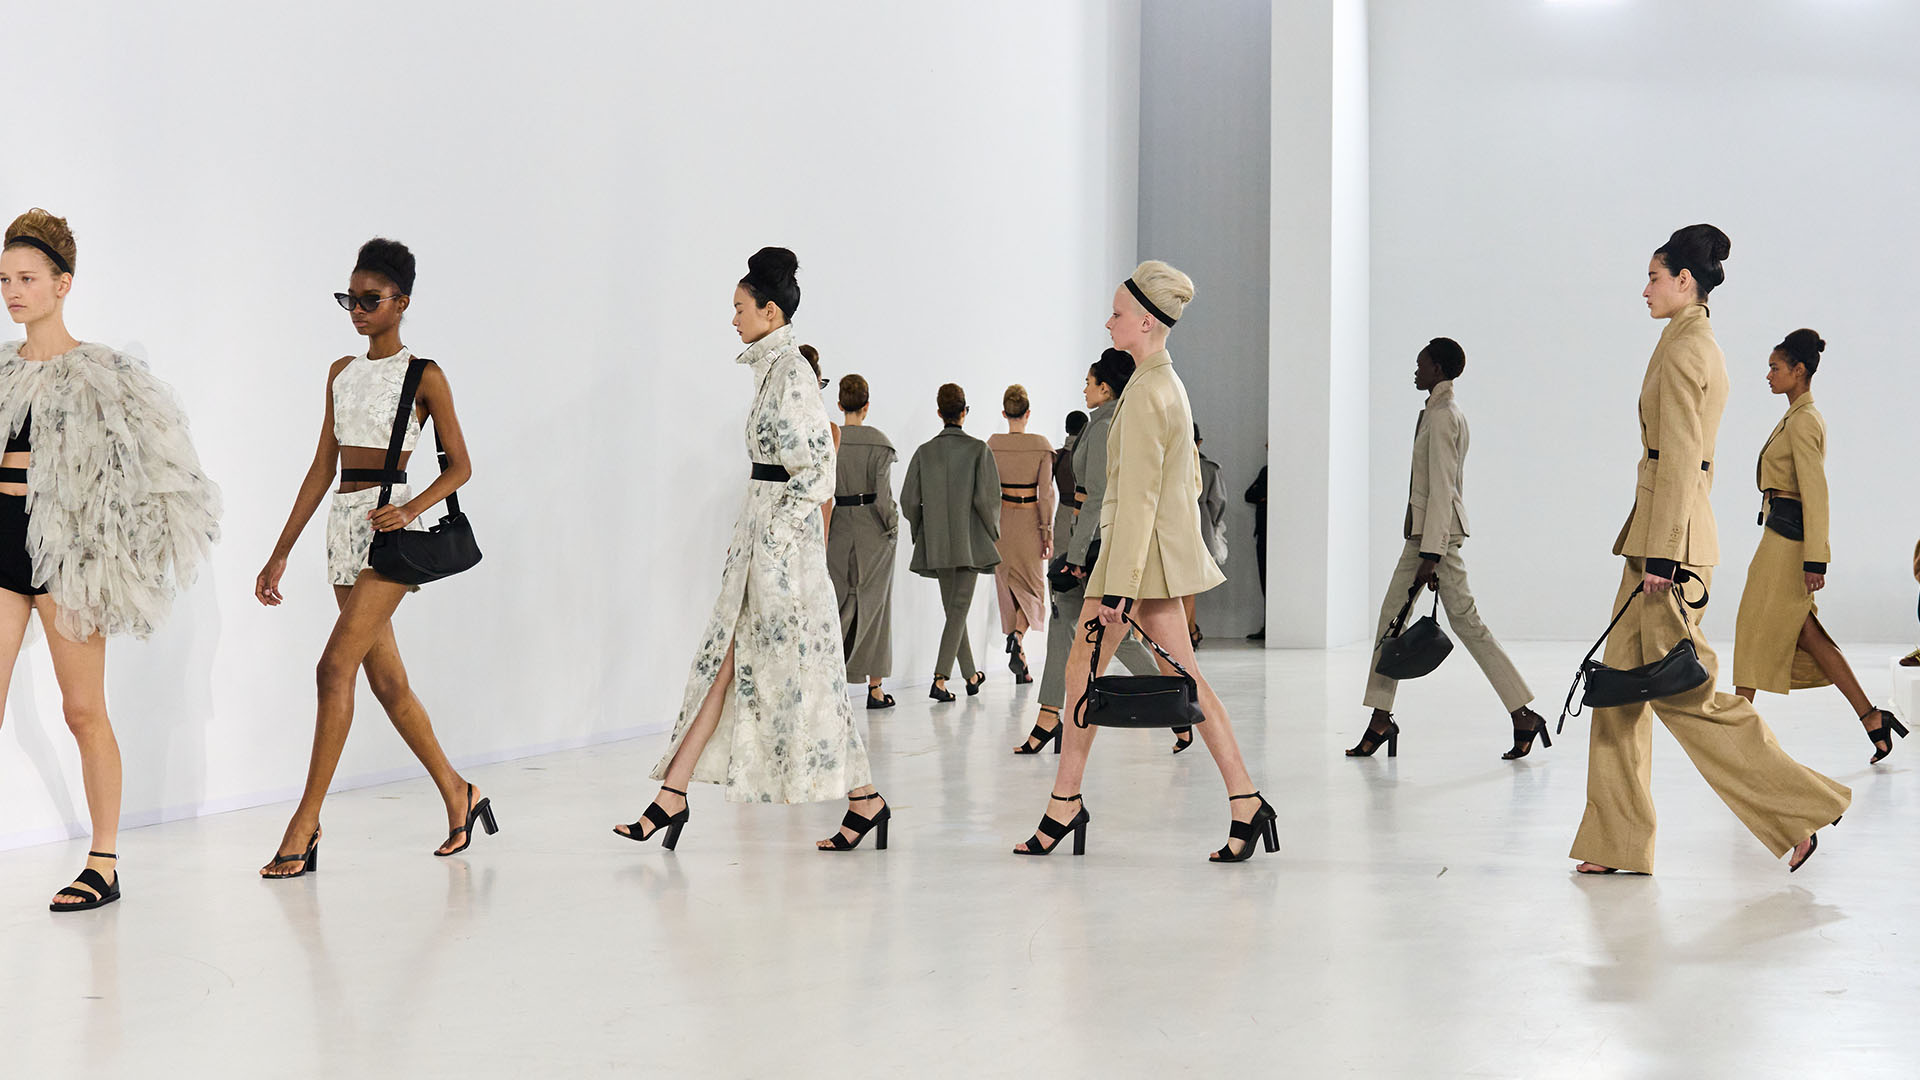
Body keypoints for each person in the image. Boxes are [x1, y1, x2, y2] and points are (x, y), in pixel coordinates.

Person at [1570, 225, 1849, 877]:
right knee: (1616, 694)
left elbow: (1679, 459)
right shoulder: (1689, 342)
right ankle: (1616, 841)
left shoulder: (1686, 349)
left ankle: (1799, 810)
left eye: (1654, 277)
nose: (1645, 290)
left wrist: (1665, 555)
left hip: (1666, 549)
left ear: (1684, 281)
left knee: (1689, 695)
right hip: (1657, 540)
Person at [617, 248, 888, 853]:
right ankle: (672, 795)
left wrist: (772, 539)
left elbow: (818, 472)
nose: (732, 318)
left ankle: (865, 799)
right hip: (762, 547)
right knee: (728, 661)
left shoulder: (792, 373)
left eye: (740, 308)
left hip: (784, 559)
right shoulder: (773, 370)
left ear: (770, 312)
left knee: (807, 674)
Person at [1014, 260, 1275, 862]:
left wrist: (1120, 588)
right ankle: (1241, 801)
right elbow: (1174, 488)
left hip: (1135, 565)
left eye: (1117, 314)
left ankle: (1068, 805)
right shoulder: (1162, 386)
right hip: (1145, 562)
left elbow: (1139, 499)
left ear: (1147, 323)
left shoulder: (1148, 394)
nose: (1108, 323)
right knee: (1109, 675)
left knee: (1100, 675)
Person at [1, 208, 220, 910]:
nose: (13, 292)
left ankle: (103, 860)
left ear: (62, 283)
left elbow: (158, 471)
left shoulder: (102, 373)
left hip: (69, 554)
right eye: (5, 280)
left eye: (27, 279)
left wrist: (112, 555)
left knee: (82, 710)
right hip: (2, 540)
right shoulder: (1, 370)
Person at [255, 238, 485, 877]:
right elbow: (321, 468)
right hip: (343, 530)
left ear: (401, 303)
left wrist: (411, 511)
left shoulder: (424, 376)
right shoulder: (341, 372)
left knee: (334, 668)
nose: (356, 310)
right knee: (387, 683)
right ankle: (459, 792)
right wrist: (279, 553)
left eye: (370, 299)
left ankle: (305, 823)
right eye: (349, 299)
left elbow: (461, 466)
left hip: (390, 537)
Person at [1346, 337, 1549, 761]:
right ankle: (1383, 718)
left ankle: (1523, 713)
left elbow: (1442, 488)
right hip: (1429, 538)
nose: (1415, 371)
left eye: (1420, 365)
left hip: (1432, 540)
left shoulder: (1442, 417)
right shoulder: (1441, 412)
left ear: (1437, 369)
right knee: (1402, 621)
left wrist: (1431, 554)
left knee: (1451, 624)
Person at [1731, 329, 1906, 763]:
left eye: (1775, 367)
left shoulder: (1805, 420)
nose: (1768, 375)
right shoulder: (1795, 416)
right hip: (1781, 535)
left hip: (1788, 545)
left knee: (1754, 625)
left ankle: (1736, 728)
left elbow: (1816, 492)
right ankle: (1872, 718)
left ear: (1798, 371)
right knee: (1806, 633)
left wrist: (1816, 559)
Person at [1016, 350, 1161, 755]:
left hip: (1094, 545)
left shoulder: (1103, 428)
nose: (1084, 389)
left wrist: (1077, 555)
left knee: (1113, 633)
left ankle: (1171, 696)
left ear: (1105, 387)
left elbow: (1095, 497)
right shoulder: (1110, 423)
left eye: (1089, 382)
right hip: (1095, 540)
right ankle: (1049, 716)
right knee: (1068, 622)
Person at [901, 384, 1000, 702]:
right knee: (958, 611)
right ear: (964, 412)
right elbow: (987, 500)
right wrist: (993, 532)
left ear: (939, 413)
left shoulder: (924, 452)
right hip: (969, 542)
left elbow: (908, 500)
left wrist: (921, 530)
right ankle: (940, 679)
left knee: (954, 612)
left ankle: (970, 676)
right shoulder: (978, 450)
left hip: (937, 542)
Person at [828, 373, 900, 710]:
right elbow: (883, 496)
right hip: (874, 528)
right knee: (876, 606)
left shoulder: (830, 439)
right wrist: (892, 525)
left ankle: (828, 682)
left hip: (839, 525)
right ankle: (875, 688)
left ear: (840, 404)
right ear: (867, 406)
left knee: (836, 602)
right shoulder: (879, 444)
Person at [988, 385, 1053, 683]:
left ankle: (1021, 664)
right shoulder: (1041, 446)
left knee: (1009, 589)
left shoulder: (992, 445)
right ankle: (1017, 635)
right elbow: (1046, 495)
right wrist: (1047, 532)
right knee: (1034, 592)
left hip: (1001, 522)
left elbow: (986, 491)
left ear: (1004, 413)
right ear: (1028, 413)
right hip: (1030, 521)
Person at [1185, 423, 1228, 647]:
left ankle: (1189, 632)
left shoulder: (1169, 463)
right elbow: (1218, 502)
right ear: (1199, 442)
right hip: (1201, 527)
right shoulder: (1210, 468)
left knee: (1183, 586)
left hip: (1175, 526)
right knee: (1190, 586)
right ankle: (1188, 633)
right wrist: (1212, 523)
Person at [1245, 457, 1268, 641]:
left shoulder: (1269, 472)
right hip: (1263, 533)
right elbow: (1249, 495)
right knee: (1265, 580)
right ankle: (1268, 625)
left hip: (1269, 533)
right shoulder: (1266, 471)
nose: (1267, 445)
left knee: (1269, 580)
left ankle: (1271, 625)